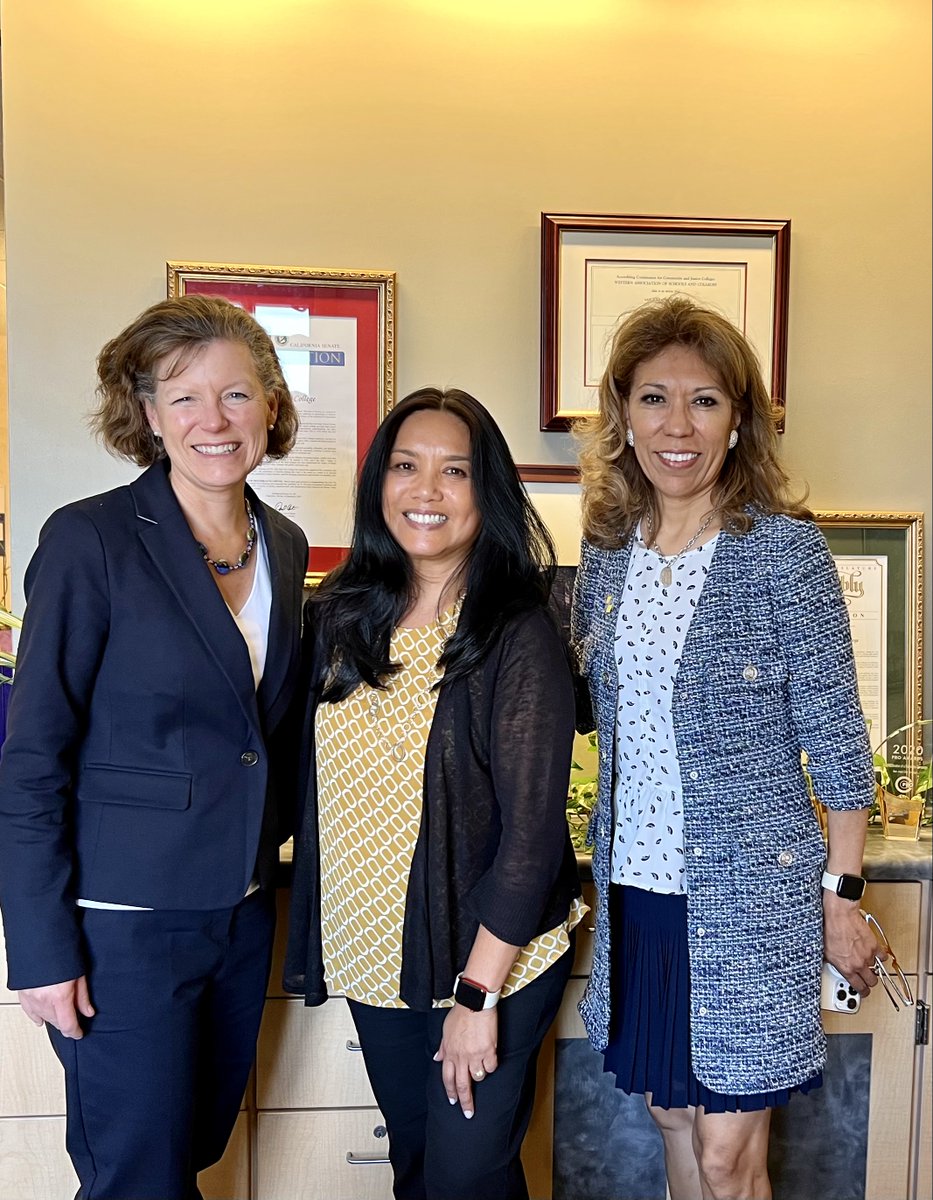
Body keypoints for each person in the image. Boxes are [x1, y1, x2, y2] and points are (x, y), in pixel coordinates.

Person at [570, 296, 881, 1200]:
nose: (677, 426)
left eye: (704, 401)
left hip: (749, 897)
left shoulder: (782, 553)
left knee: (725, 1153)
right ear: (622, 414)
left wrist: (842, 893)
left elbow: (834, 734)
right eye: (654, 398)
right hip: (638, 889)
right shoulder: (606, 555)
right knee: (670, 1117)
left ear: (738, 419)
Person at [0, 295, 309, 1199]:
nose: (213, 421)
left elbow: (268, 735)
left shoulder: (283, 546)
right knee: (137, 1172)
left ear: (272, 407)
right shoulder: (89, 539)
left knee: (193, 1149)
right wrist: (43, 948)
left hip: (241, 911)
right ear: (146, 415)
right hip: (122, 926)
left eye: (237, 396)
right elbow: (31, 757)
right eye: (183, 399)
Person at [285, 387, 583, 1200]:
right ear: (378, 482)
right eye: (406, 467)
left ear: (486, 493)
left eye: (455, 472)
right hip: (374, 954)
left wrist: (475, 996)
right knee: (418, 1168)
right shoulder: (342, 614)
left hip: (487, 960)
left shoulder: (515, 630)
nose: (426, 491)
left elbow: (530, 838)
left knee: (464, 1177)